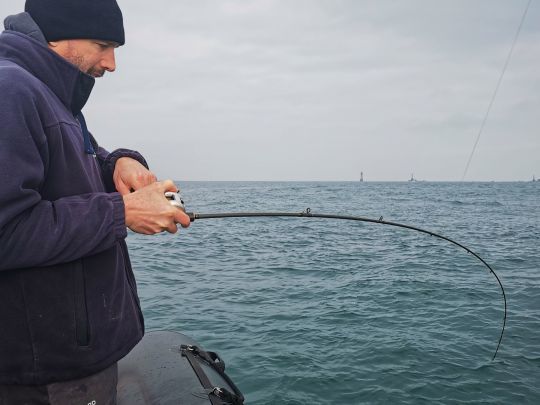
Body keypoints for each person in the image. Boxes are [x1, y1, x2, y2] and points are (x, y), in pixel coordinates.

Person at [0, 0, 190, 403]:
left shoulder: (49, 93)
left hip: (70, 359)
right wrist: (123, 212)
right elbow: (6, 230)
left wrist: (118, 163)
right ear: (57, 33)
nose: (112, 63)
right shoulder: (10, 89)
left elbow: (70, 163)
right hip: (43, 373)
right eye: (102, 45)